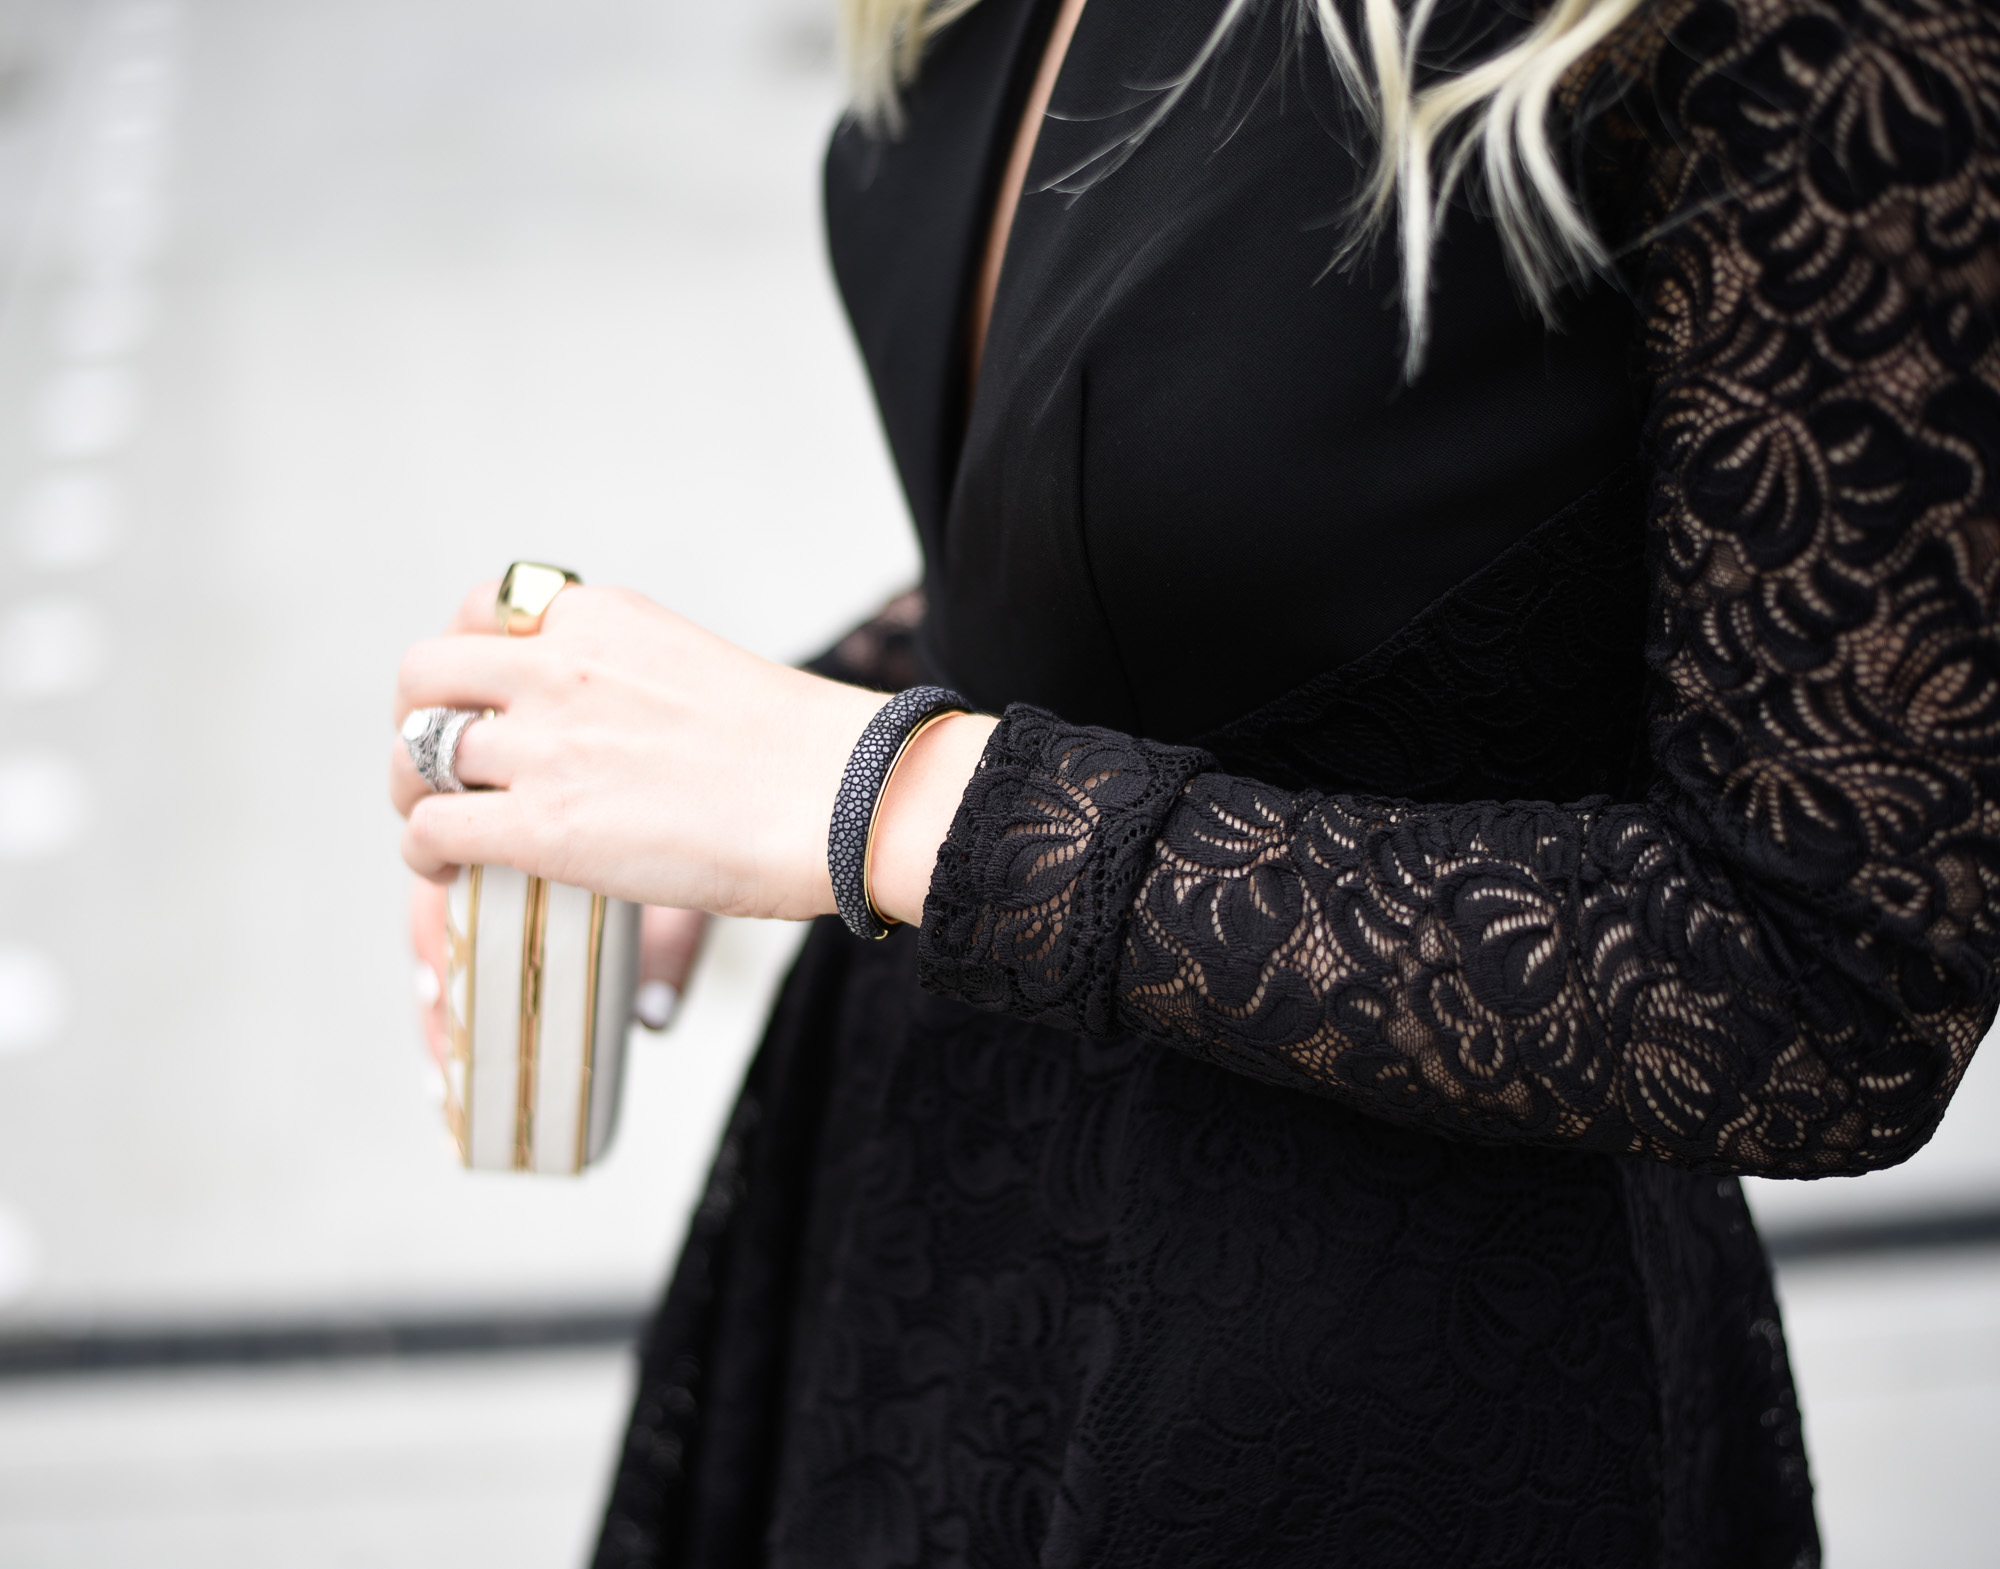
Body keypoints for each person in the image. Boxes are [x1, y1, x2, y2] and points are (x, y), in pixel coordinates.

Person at [389, 0, 2000, 1557]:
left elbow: (1827, 983)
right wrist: (712, 756)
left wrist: (878, 792)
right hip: (915, 1241)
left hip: (1372, 1393)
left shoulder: (1835, 34)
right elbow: (1217, 504)